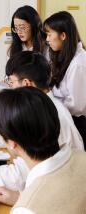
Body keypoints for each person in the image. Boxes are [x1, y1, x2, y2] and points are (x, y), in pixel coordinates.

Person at [0, 51, 83, 191]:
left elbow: (17, 178)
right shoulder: (48, 105)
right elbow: (23, 136)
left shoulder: (41, 115)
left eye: (11, 82)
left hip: (59, 189)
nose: (9, 87)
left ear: (26, 84)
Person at [0, 87, 86, 213]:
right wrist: (22, 197)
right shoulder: (82, 156)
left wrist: (25, 202)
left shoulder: (27, 209)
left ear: (13, 143)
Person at [44, 11, 86, 148]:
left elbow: (77, 106)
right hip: (66, 118)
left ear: (63, 35)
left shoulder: (78, 63)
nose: (47, 39)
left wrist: (51, 107)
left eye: (50, 34)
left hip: (78, 123)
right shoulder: (64, 57)